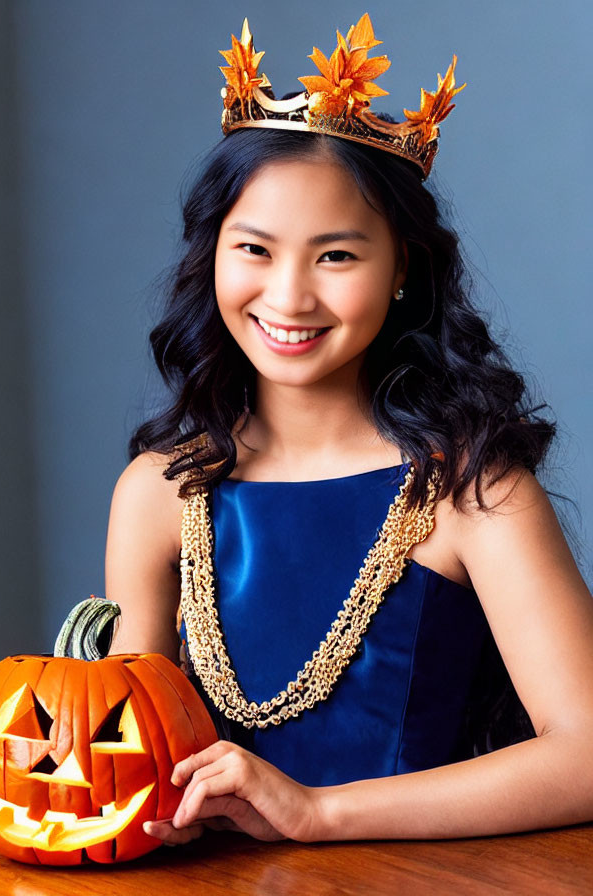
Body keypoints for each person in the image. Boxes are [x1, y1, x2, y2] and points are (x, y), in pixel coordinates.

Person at [104, 15, 593, 844]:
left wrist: (318, 813)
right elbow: (121, 748)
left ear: (402, 268)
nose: (289, 297)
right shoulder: (160, 491)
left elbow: (586, 753)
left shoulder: (469, 488)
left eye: (336, 256)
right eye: (254, 249)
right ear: (211, 255)